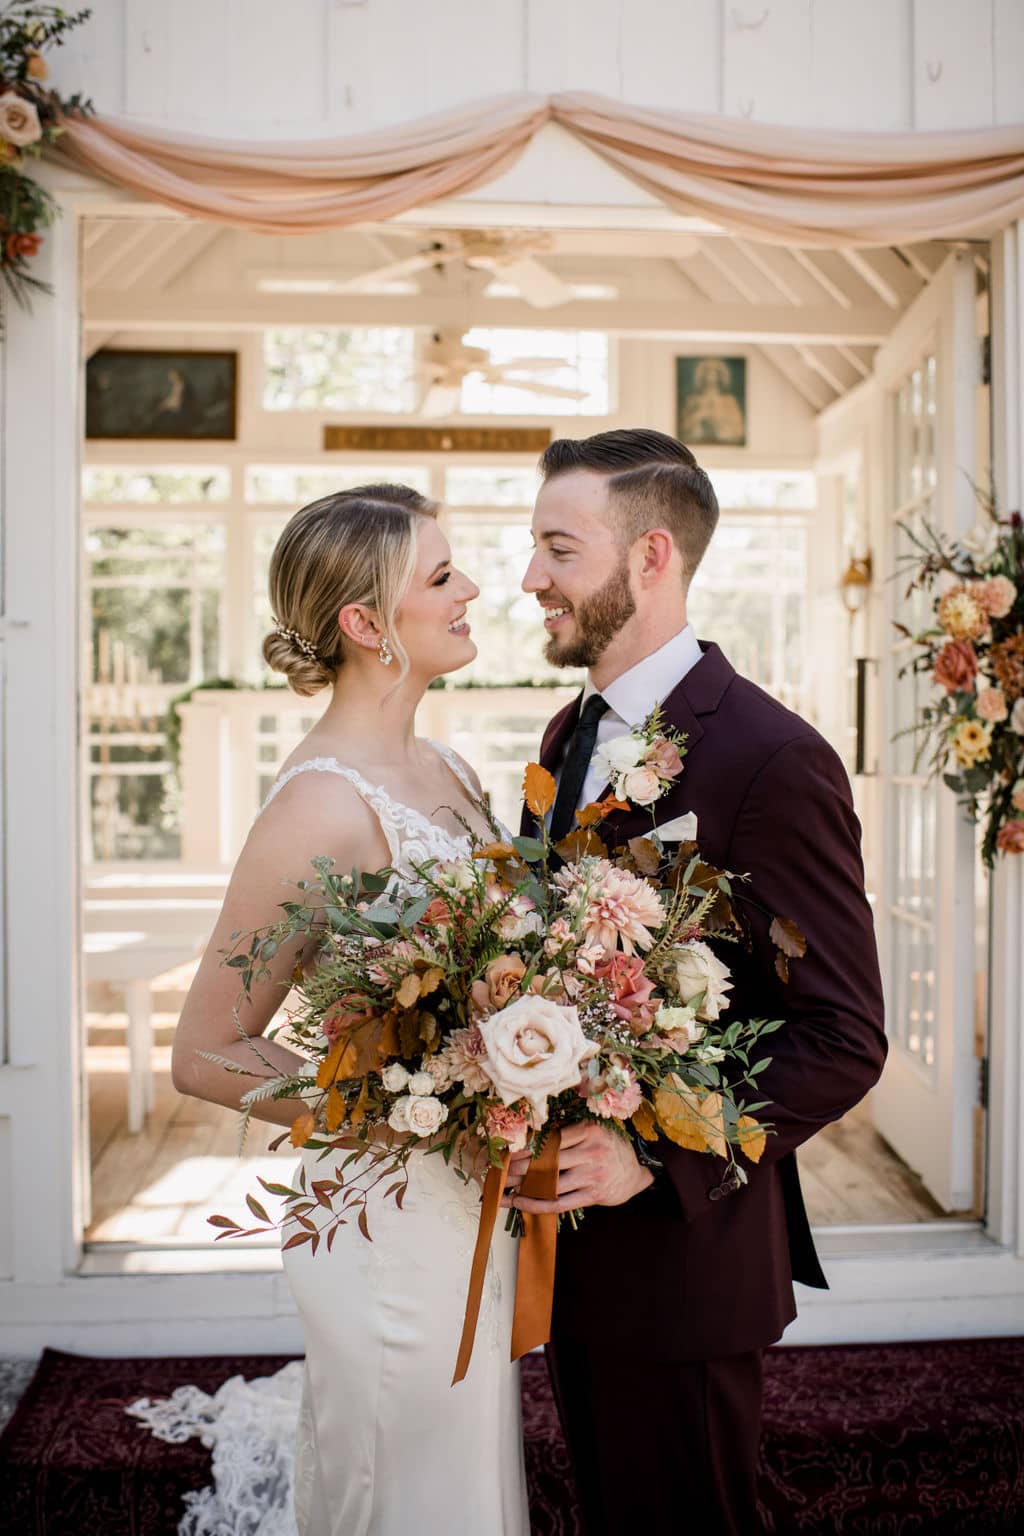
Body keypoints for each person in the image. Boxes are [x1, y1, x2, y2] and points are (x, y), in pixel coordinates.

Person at [504, 428, 887, 1536]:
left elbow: (843, 1036)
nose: (531, 577)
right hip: (573, 1254)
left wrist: (650, 1151)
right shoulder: (567, 730)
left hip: (686, 1263)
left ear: (651, 556)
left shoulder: (772, 759)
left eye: (557, 549)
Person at [172, 483, 530, 1536]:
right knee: (406, 1488)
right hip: (386, 1221)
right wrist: (402, 1112)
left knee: (463, 1475)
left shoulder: (449, 769)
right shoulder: (320, 805)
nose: (471, 589)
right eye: (440, 575)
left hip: (474, 1204)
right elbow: (205, 1053)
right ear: (365, 625)